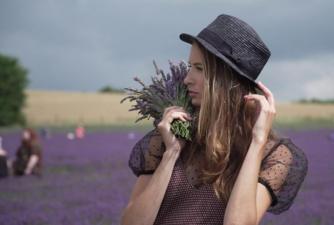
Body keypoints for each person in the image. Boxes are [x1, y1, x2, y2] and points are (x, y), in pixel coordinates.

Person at [121, 14, 308, 225]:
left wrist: (257, 143)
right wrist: (171, 153)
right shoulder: (168, 136)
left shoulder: (272, 155)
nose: (186, 79)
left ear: (227, 81)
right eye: (190, 66)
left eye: (199, 69)